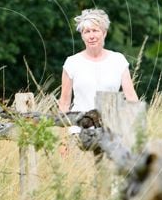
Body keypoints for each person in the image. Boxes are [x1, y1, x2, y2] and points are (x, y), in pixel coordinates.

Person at [59, 9, 139, 148]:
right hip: (78, 133)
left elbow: (131, 97)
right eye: (87, 31)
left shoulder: (118, 60)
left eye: (95, 30)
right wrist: (63, 140)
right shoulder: (71, 63)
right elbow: (64, 103)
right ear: (82, 36)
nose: (91, 36)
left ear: (104, 33)